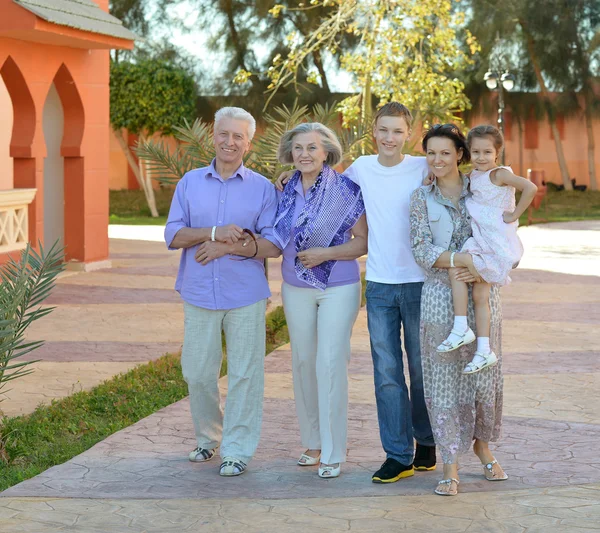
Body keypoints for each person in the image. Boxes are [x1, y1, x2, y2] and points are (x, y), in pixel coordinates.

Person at [277, 103, 436, 483]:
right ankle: (398, 455)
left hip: (418, 282)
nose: (389, 138)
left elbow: (459, 184)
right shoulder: (361, 169)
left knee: (419, 368)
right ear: (373, 130)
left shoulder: (421, 167)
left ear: (409, 134)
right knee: (386, 372)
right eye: (383, 130)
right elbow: (323, 184)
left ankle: (426, 441)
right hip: (380, 283)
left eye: (397, 131)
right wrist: (288, 174)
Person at [164, 106, 281, 477]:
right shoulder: (190, 183)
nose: (229, 142)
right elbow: (173, 235)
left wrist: (229, 247)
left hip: (245, 293)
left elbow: (273, 244)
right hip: (198, 291)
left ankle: (237, 449)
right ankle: (208, 438)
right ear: (213, 136)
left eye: (238, 137)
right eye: (224, 134)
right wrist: (214, 233)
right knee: (197, 371)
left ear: (248, 143)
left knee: (246, 373)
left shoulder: (262, 188)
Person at [409, 123, 507, 496]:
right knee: (443, 381)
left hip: (483, 295)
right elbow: (421, 250)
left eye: (445, 153)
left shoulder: (481, 188)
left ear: (460, 155)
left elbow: (504, 235)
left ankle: (483, 446)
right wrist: (463, 259)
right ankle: (449, 463)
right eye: (431, 153)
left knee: (483, 376)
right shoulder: (421, 198)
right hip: (438, 299)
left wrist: (494, 263)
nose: (437, 160)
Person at [272, 122, 367, 479]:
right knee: (303, 362)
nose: (304, 154)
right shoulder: (284, 189)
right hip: (295, 286)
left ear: (326, 152)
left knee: (329, 362)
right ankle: (312, 441)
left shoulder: (345, 189)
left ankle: (333, 450)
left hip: (338, 286)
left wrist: (326, 254)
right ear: (290, 153)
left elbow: (362, 242)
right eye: (298, 148)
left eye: (312, 148)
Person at [437, 125, 537, 374]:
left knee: (457, 268)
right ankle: (483, 349)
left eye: (487, 152)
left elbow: (530, 188)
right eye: (476, 151)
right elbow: (452, 178)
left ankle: (461, 328)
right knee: (479, 296)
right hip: (481, 241)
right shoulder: (474, 176)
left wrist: (515, 214)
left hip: (495, 244)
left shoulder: (499, 174)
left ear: (497, 152)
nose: (481, 157)